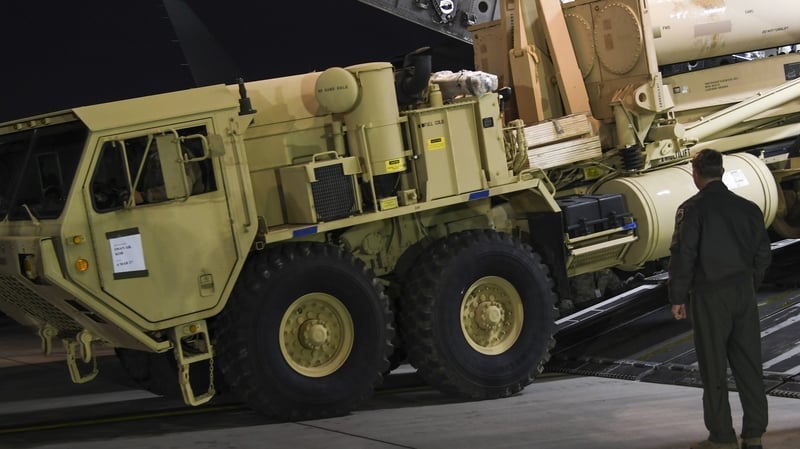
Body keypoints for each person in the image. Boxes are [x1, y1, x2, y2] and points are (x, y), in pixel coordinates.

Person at [668, 149, 772, 449]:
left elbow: (684, 255)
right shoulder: (748, 208)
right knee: (749, 364)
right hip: (743, 292)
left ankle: (722, 437)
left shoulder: (692, 210)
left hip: (710, 295)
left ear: (695, 173)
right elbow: (763, 253)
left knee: (713, 367)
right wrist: (750, 283)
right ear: (722, 172)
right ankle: (754, 434)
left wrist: (677, 296)